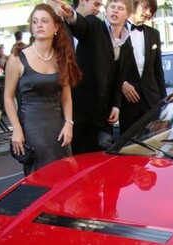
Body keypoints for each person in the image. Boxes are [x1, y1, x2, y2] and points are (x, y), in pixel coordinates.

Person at [4, 3, 82, 174]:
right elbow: (8, 97)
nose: (39, 25)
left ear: (55, 27)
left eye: (44, 21)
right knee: (38, 176)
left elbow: (66, 96)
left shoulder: (61, 58)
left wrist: (69, 123)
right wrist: (16, 129)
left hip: (58, 127)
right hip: (32, 127)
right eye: (35, 22)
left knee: (64, 174)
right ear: (31, 28)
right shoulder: (17, 58)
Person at [52, 0, 133, 154]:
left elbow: (119, 77)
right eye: (112, 7)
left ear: (127, 15)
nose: (115, 11)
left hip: (103, 114)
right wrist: (70, 14)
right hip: (81, 109)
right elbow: (81, 26)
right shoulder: (95, 26)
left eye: (120, 8)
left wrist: (116, 105)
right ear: (107, 11)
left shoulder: (127, 44)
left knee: (101, 160)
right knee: (79, 158)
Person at [119, 0, 166, 134]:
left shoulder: (154, 34)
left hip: (153, 102)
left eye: (151, 10)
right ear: (133, 4)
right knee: (129, 148)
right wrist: (122, 84)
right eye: (145, 8)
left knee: (154, 147)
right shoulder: (116, 31)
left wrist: (164, 103)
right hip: (128, 104)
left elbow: (158, 71)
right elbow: (109, 66)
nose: (148, 13)